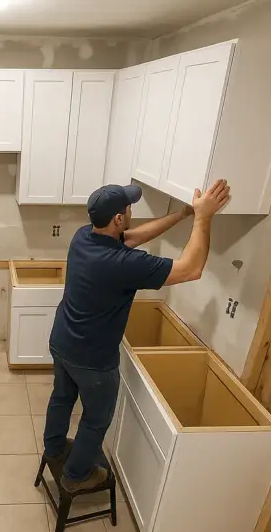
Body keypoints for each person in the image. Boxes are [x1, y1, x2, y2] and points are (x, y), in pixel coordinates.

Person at [45, 180, 231, 493]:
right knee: (96, 418)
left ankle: (53, 449)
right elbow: (191, 269)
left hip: (62, 340)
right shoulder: (124, 265)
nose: (132, 211)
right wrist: (204, 217)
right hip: (93, 360)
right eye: (129, 208)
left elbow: (131, 237)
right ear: (118, 218)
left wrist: (182, 215)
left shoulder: (84, 237)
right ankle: (75, 476)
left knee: (62, 397)